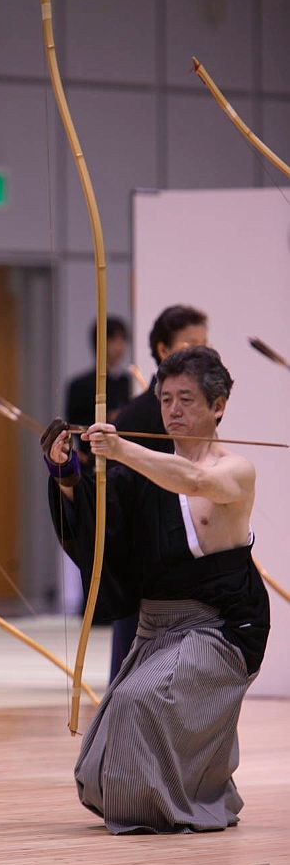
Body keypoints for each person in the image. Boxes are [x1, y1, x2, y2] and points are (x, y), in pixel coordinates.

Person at [42, 346, 269, 834]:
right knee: (100, 757)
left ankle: (172, 803)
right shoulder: (142, 473)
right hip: (158, 626)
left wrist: (121, 448)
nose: (173, 410)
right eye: (166, 399)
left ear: (218, 406)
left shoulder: (234, 468)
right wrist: (66, 473)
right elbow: (101, 525)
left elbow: (195, 480)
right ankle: (192, 792)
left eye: (186, 399)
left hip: (221, 626)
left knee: (139, 700)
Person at [108, 305, 208, 679]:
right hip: (146, 569)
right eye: (190, 345)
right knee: (133, 676)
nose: (202, 354)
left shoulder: (198, 413)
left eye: (205, 345)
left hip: (183, 568)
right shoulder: (138, 416)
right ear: (164, 350)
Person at [65, 316, 131, 466]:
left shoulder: (127, 382)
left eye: (122, 339)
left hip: (122, 460)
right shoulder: (80, 385)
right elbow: (74, 423)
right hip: (90, 458)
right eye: (113, 340)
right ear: (100, 343)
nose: (119, 346)